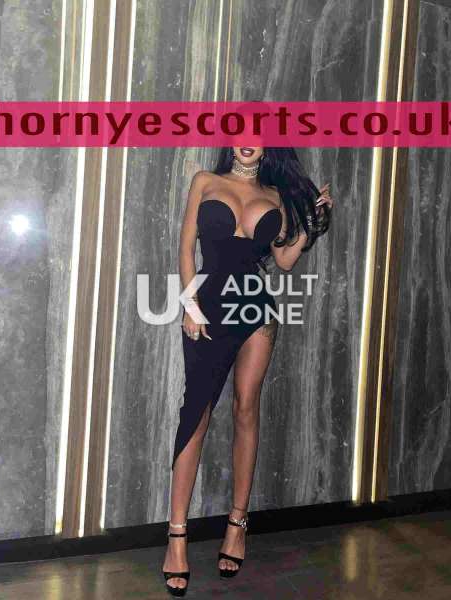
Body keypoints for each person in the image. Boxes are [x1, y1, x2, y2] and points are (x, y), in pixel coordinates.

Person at [162, 146, 333, 596]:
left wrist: (311, 224)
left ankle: (237, 526)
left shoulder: (277, 195)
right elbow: (185, 247)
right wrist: (190, 306)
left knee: (245, 410)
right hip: (208, 308)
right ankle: (176, 536)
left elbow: (285, 260)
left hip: (256, 310)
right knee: (196, 415)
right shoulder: (205, 180)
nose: (247, 139)